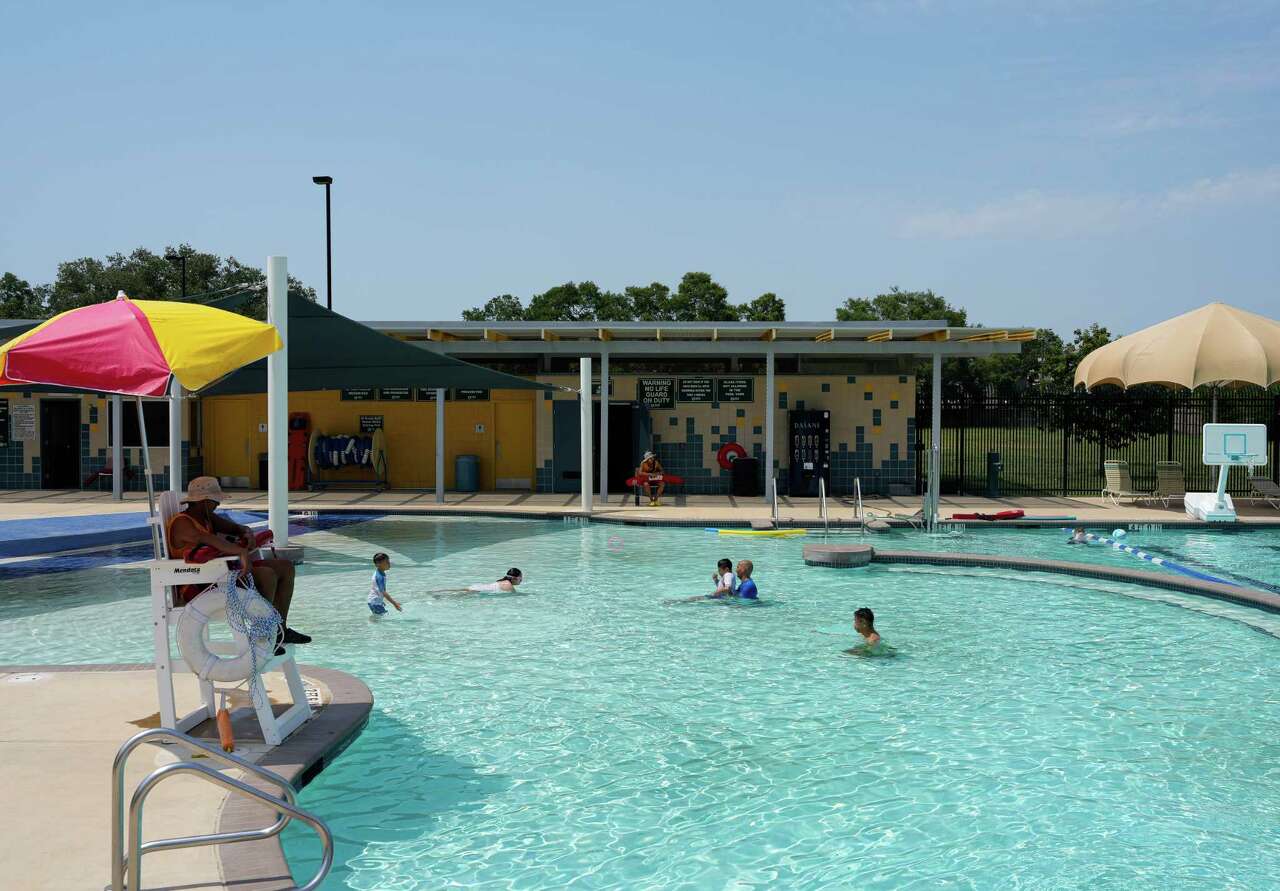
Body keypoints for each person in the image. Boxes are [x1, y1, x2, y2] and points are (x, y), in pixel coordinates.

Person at [166, 476, 309, 649]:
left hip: (218, 574)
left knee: (285, 567)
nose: (218, 505)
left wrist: (245, 533)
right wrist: (240, 551)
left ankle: (279, 630)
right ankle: (262, 635)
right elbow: (205, 538)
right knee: (267, 575)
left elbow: (235, 528)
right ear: (203, 501)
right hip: (200, 584)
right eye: (215, 501)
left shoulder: (207, 518)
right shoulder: (182, 523)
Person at [368, 552, 403, 617]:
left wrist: (380, 601)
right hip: (375, 602)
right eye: (386, 562)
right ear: (378, 564)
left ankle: (370, 624)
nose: (389, 564)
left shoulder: (380, 573)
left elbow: (376, 589)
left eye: (388, 561)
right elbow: (383, 592)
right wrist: (395, 604)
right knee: (385, 617)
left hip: (374, 601)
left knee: (378, 618)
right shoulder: (379, 576)